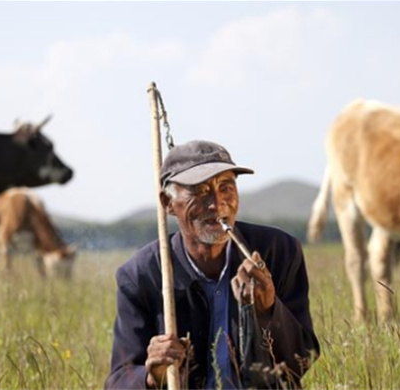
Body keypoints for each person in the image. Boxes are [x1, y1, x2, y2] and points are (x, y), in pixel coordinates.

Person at [104, 140, 320, 389]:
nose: (217, 204)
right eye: (199, 191)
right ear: (168, 203)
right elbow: (118, 381)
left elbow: (302, 362)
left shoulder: (278, 252)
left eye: (226, 187)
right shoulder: (141, 275)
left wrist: (269, 310)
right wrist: (152, 377)